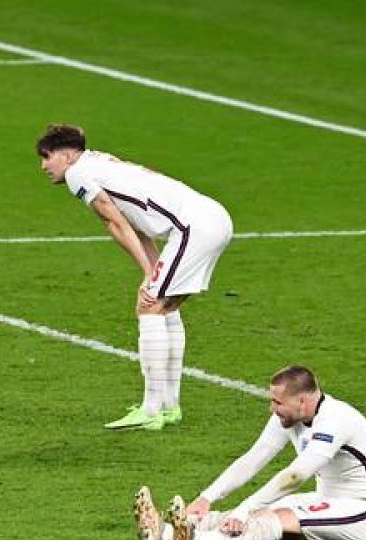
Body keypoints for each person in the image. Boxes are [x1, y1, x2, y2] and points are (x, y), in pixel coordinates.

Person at [37, 124, 233, 430]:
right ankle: (169, 407)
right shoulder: (99, 163)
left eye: (46, 157)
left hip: (193, 227)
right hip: (211, 218)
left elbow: (115, 224)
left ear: (65, 154)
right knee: (164, 305)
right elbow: (136, 226)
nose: (43, 166)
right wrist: (151, 270)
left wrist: (148, 274)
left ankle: (152, 409)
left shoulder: (78, 174)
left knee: (149, 306)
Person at [133, 365, 366, 540]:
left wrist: (243, 509)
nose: (272, 408)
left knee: (272, 518)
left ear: (302, 400)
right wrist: (207, 497)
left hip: (365, 511)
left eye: (277, 402)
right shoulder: (289, 416)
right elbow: (255, 457)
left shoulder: (335, 420)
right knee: (261, 512)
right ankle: (164, 532)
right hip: (325, 499)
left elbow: (295, 476)